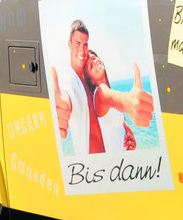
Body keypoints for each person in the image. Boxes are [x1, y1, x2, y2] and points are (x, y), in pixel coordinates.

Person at [50, 19, 154, 154]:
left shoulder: (92, 89)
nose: (82, 50)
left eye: (85, 44)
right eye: (77, 43)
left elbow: (114, 116)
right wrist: (59, 107)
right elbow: (67, 95)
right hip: (91, 170)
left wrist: (129, 142)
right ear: (69, 44)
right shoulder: (71, 78)